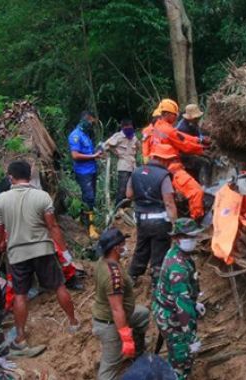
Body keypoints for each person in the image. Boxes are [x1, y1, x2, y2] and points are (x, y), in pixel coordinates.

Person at [0, 161, 79, 355]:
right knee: (59, 286)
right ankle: (73, 322)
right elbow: (53, 227)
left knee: (20, 295)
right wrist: (65, 254)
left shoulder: (0, 200)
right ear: (29, 176)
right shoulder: (42, 196)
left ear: (11, 177)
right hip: (43, 249)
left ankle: (21, 338)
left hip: (17, 254)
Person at [92, 227, 149, 380]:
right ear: (116, 248)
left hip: (109, 316)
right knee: (110, 367)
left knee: (142, 314)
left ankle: (138, 352)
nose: (126, 246)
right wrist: (125, 338)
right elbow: (117, 309)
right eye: (123, 244)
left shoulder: (102, 261)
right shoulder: (114, 277)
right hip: (109, 324)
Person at [152, 218, 204, 380]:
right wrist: (190, 339)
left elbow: (182, 297)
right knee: (181, 359)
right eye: (187, 237)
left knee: (177, 354)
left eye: (193, 236)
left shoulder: (177, 253)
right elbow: (182, 307)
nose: (192, 240)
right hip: (172, 318)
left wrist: (194, 303)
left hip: (168, 310)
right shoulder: (178, 267)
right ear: (176, 238)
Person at [126, 144, 178, 285]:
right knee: (159, 250)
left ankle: (132, 276)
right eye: (168, 160)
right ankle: (157, 283)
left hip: (142, 219)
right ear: (162, 159)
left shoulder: (136, 172)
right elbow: (169, 203)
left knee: (142, 248)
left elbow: (129, 194)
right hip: (160, 221)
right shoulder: (164, 176)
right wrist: (175, 224)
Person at [68, 110, 101, 239]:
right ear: (86, 119)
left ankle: (82, 221)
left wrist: (96, 154)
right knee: (89, 198)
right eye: (91, 121)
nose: (91, 124)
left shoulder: (86, 135)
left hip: (91, 170)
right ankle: (90, 227)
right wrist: (93, 155)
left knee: (89, 198)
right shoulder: (75, 135)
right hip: (83, 172)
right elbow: (75, 155)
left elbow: (89, 153)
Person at [104, 119, 142, 206]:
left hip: (133, 166)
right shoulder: (118, 137)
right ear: (123, 127)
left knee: (131, 190)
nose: (129, 130)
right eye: (127, 128)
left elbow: (139, 148)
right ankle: (118, 209)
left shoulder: (134, 137)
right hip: (123, 166)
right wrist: (114, 152)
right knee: (122, 189)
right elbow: (106, 145)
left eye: (131, 128)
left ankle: (127, 209)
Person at [176, 104, 212, 186]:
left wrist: (203, 139)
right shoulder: (182, 129)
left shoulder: (193, 124)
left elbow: (197, 136)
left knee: (209, 157)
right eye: (196, 118)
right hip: (183, 155)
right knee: (205, 163)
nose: (198, 119)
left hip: (193, 149)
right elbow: (186, 147)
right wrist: (201, 151)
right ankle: (205, 186)